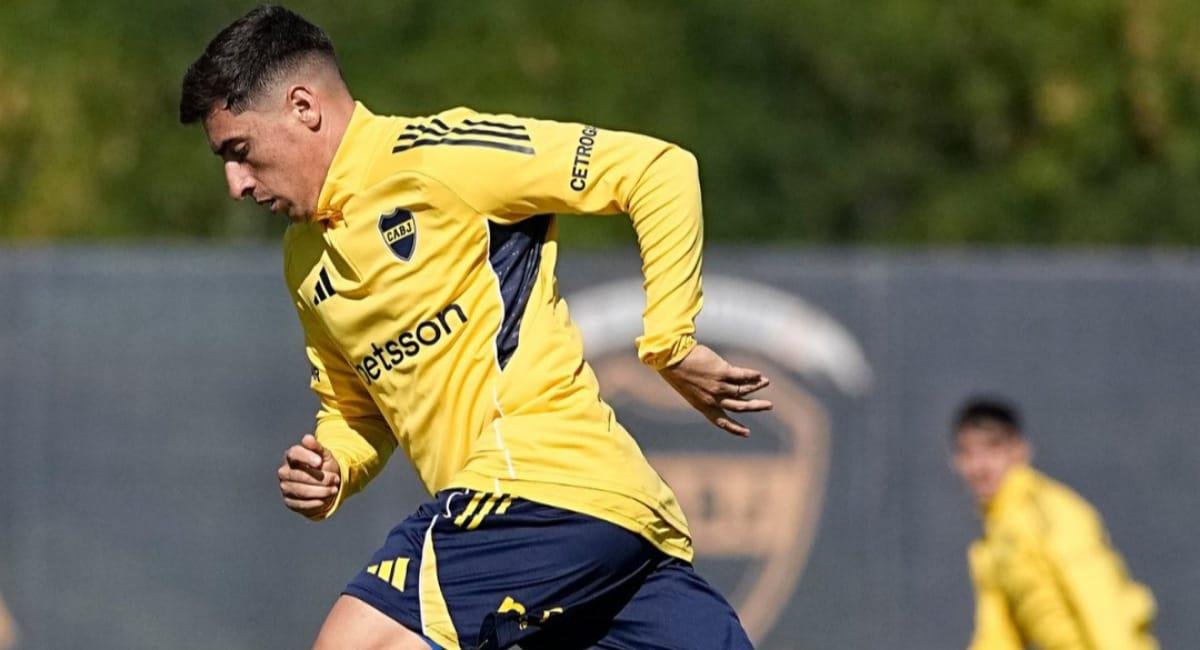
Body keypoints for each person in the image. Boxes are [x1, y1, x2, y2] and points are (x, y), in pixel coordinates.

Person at [180, 6, 771, 649]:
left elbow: (656, 169)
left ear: (303, 107)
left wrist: (670, 341)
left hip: (537, 490)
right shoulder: (304, 258)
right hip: (601, 534)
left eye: (240, 152)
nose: (235, 183)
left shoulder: (441, 156)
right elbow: (356, 410)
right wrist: (335, 465)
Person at [950, 397, 1158, 650]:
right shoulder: (991, 539)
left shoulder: (1048, 511)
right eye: (968, 453)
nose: (980, 467)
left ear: (1020, 450)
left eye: (993, 448)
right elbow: (997, 636)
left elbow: (1101, 601)